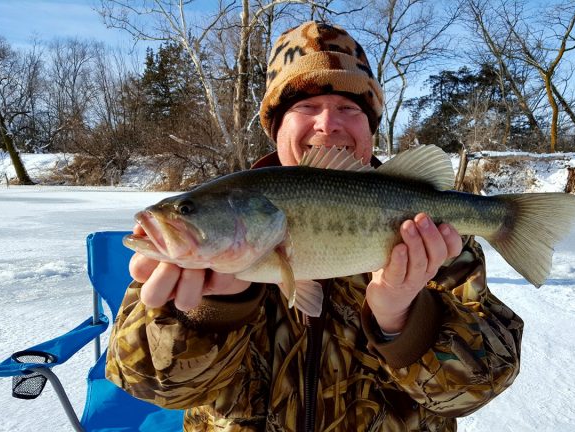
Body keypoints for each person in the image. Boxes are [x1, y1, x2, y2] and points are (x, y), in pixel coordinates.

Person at [106, 21, 523, 431]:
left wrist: (402, 317)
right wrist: (207, 314)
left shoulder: (437, 240)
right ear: (276, 127)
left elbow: (482, 384)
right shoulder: (187, 265)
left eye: (349, 108)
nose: (328, 124)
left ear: (370, 126)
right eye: (305, 107)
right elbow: (148, 386)